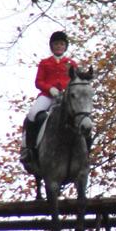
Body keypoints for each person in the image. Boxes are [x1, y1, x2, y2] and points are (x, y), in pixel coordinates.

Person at [24, 31, 77, 163]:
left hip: (65, 97)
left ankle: (83, 150)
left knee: (80, 117)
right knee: (32, 114)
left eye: (62, 44)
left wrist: (67, 91)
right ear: (52, 46)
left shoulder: (72, 63)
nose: (59, 46)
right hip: (47, 95)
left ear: (65, 47)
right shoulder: (45, 63)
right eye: (56, 44)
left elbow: (75, 81)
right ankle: (29, 150)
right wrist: (50, 89)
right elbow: (39, 81)